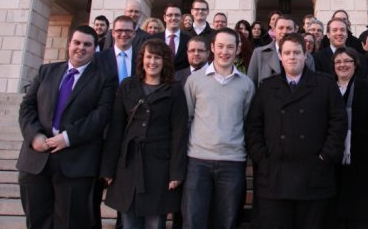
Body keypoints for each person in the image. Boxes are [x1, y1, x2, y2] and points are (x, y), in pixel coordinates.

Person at [17, 25, 117, 229]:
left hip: (76, 162)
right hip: (37, 161)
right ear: (69, 44)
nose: (81, 48)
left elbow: (101, 115)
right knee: (37, 220)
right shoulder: (47, 71)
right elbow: (27, 106)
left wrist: (68, 137)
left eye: (87, 45)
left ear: (94, 48)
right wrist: (34, 136)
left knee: (71, 222)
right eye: (77, 43)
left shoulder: (105, 78)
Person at [245, 33, 347, 228]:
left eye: (297, 52)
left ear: (306, 55)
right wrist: (262, 159)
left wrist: (325, 157)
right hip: (275, 176)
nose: (292, 57)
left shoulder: (325, 85)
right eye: (287, 53)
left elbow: (338, 124)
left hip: (314, 175)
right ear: (280, 57)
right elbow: (253, 127)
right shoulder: (267, 88)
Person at [101, 39, 187, 229]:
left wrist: (176, 172)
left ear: (165, 61)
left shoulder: (174, 90)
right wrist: (108, 168)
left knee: (155, 222)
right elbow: (115, 128)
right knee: (128, 221)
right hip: (128, 164)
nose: (152, 62)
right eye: (149, 57)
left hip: (159, 167)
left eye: (158, 57)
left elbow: (179, 132)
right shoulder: (128, 86)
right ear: (142, 59)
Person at [182, 28, 255, 229]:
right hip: (198, 161)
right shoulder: (194, 80)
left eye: (230, 47)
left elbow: (247, 121)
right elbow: (187, 118)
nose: (225, 51)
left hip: (232, 162)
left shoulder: (246, 85)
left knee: (226, 222)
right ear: (212, 48)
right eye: (220, 46)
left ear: (238, 49)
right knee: (194, 220)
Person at [327, 47, 368, 229]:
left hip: (361, 156)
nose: (343, 65)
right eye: (338, 62)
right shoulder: (326, 88)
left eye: (347, 61)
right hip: (332, 155)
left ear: (355, 64)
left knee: (358, 207)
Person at [247, 15, 314, 85]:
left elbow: (311, 84)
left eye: (289, 28)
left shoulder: (307, 57)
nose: (285, 31)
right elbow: (251, 84)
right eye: (281, 28)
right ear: (274, 30)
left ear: (295, 31)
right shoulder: (259, 53)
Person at [153, 3, 190, 71]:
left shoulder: (189, 40)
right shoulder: (154, 40)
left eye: (177, 15)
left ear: (181, 18)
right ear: (164, 18)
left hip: (182, 80)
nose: (173, 18)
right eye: (170, 15)